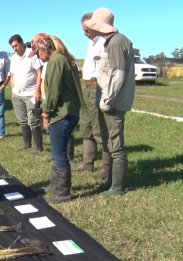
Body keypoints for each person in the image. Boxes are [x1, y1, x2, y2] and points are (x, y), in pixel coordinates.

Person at [84, 8, 135, 196]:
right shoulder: (116, 41)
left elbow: (118, 75)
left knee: (116, 144)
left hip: (113, 102)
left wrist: (107, 100)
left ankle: (117, 187)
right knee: (113, 142)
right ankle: (113, 182)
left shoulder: (115, 43)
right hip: (113, 100)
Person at [34, 34, 84, 203]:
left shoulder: (56, 61)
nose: (37, 55)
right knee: (58, 153)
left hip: (62, 113)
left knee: (59, 153)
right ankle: (55, 185)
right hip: (69, 112)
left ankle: (62, 192)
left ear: (45, 48)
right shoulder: (62, 59)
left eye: (37, 51)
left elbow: (53, 92)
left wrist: (46, 113)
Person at [76, 13, 111, 179]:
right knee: (86, 126)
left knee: (100, 129)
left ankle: (106, 168)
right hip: (86, 88)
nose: (85, 33)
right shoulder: (90, 43)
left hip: (97, 88)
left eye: (86, 29)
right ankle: (87, 163)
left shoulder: (104, 42)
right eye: (83, 30)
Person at [8, 34, 43, 152]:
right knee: (22, 120)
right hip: (17, 94)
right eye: (12, 47)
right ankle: (26, 143)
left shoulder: (31, 55)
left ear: (22, 43)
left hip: (31, 93)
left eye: (16, 45)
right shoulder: (13, 58)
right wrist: (13, 88)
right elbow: (12, 74)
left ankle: (38, 146)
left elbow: (39, 73)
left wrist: (38, 90)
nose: (15, 48)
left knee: (33, 120)